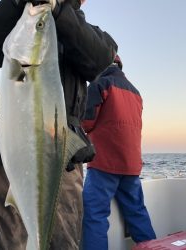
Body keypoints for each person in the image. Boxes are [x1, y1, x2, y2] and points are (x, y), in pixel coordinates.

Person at [0, 0, 118, 249]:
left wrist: (58, 11)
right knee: (3, 240)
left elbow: (100, 58)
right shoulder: (18, 20)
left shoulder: (86, 33)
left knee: (63, 241)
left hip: (62, 161)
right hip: (9, 158)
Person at [81, 55, 156, 250]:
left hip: (105, 163)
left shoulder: (100, 84)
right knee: (137, 211)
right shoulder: (136, 92)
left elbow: (85, 122)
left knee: (94, 215)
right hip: (131, 165)